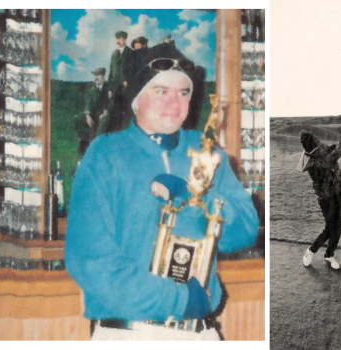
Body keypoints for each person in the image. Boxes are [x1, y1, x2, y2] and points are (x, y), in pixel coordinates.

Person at [65, 58, 259, 340]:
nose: (175, 102)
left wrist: (194, 199)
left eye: (184, 92)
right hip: (130, 334)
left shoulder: (205, 153)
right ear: (136, 99)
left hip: (199, 334)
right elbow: (91, 260)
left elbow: (245, 229)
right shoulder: (106, 153)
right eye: (161, 91)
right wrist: (178, 300)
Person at [299, 122, 341, 270]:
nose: (319, 142)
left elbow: (332, 148)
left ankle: (329, 254)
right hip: (326, 199)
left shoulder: (317, 150)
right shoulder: (316, 161)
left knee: (338, 227)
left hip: (338, 192)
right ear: (312, 146)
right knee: (330, 228)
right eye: (316, 141)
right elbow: (337, 152)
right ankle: (311, 251)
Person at [74, 68, 112, 156]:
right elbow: (88, 102)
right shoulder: (91, 90)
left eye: (98, 75)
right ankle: (84, 141)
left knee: (104, 120)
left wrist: (105, 112)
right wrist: (87, 115)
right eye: (94, 75)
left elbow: (111, 102)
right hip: (93, 115)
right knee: (78, 118)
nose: (96, 78)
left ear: (103, 76)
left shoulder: (108, 89)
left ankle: (95, 145)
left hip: (104, 114)